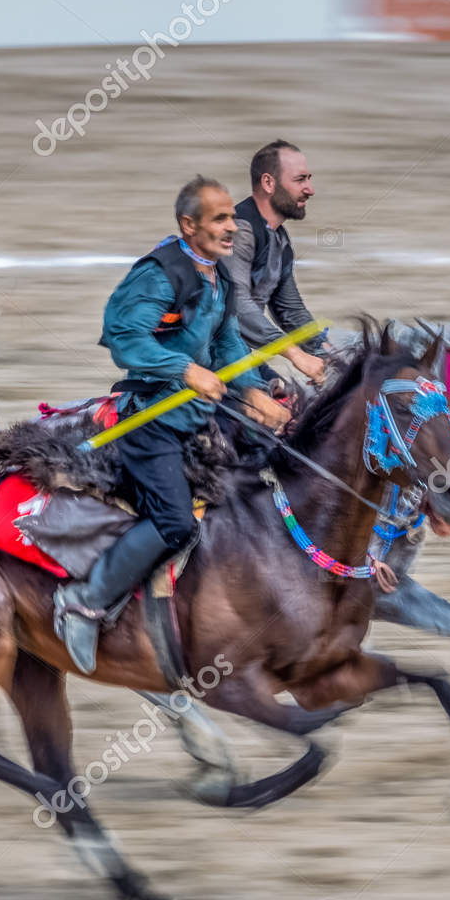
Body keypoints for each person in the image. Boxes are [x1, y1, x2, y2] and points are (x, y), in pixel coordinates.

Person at [54, 174, 289, 674]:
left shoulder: (220, 276)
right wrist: (185, 369)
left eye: (233, 217)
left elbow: (227, 343)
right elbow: (125, 338)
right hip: (149, 423)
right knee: (175, 523)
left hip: (198, 418)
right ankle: (84, 601)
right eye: (220, 219)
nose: (233, 227)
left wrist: (254, 390)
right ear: (188, 225)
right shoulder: (159, 275)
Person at [223, 139, 328, 387]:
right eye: (300, 180)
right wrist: (295, 355)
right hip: (199, 358)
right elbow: (236, 306)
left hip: (235, 354)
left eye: (308, 179)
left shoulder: (279, 239)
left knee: (292, 399)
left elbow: (289, 310)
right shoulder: (239, 231)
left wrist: (328, 352)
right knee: (276, 405)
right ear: (268, 183)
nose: (310, 189)